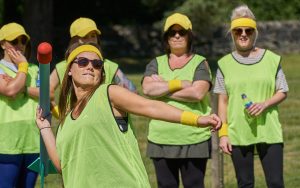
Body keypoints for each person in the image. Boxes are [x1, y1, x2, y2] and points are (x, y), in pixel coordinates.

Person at [35, 42, 221, 188]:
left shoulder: (108, 93)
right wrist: (44, 127)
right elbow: (62, 164)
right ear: (69, 70)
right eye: (83, 62)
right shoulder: (66, 119)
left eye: (97, 64)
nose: (90, 67)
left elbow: (151, 107)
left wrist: (197, 120)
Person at [214, 5, 289, 188]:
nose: (243, 34)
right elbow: (222, 102)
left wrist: (265, 104)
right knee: (245, 183)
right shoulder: (224, 64)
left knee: (276, 183)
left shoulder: (272, 59)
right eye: (238, 30)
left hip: (269, 131)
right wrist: (223, 135)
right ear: (232, 33)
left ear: (255, 32)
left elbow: (283, 91)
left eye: (248, 30)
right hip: (237, 132)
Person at [142, 13, 214, 188]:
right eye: (172, 33)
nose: (176, 36)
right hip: (161, 138)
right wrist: (180, 83)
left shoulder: (200, 63)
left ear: (189, 36)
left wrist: (162, 90)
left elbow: (197, 93)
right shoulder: (155, 63)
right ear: (166, 38)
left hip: (194, 138)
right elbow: (147, 89)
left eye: (181, 32)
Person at [50, 17, 137, 118]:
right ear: (74, 40)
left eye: (93, 36)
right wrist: (57, 112)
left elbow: (132, 92)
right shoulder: (63, 67)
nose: (90, 40)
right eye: (84, 37)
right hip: (74, 123)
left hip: (103, 124)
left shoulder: (108, 65)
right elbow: (44, 92)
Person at [0, 22, 39, 188]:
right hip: (7, 141)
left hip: (33, 140)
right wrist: (22, 67)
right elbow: (10, 91)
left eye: (23, 41)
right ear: (2, 43)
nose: (20, 45)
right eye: (14, 41)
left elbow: (48, 94)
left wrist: (22, 87)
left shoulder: (35, 69)